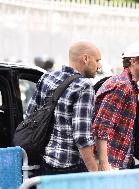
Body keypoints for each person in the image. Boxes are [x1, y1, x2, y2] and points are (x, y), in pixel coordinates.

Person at [25, 41, 101, 175]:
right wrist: (95, 173)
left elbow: (29, 115)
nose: (99, 66)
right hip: (70, 168)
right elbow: (82, 137)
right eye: (97, 60)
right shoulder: (84, 86)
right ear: (85, 59)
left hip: (45, 162)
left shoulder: (47, 77)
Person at [92, 41, 139, 170]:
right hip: (111, 164)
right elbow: (101, 126)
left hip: (118, 162)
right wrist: (104, 163)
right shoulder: (122, 85)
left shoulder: (128, 85)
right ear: (133, 61)